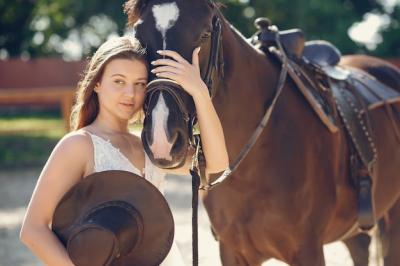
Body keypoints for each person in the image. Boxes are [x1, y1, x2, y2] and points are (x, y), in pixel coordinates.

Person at [19, 35, 229, 266]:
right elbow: (33, 229)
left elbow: (216, 163)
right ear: (97, 83)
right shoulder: (79, 145)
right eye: (119, 81)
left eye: (140, 84)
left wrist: (199, 92)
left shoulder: (149, 145)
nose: (130, 94)